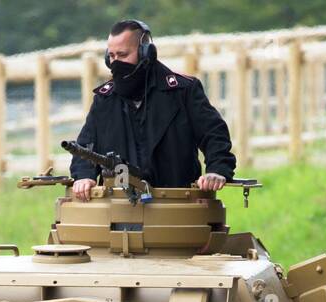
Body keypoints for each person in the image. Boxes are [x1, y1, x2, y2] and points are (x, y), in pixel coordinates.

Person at [70, 19, 235, 201]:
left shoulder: (183, 92)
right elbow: (86, 146)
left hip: (177, 204)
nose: (116, 63)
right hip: (118, 208)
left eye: (123, 55)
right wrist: (84, 176)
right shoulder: (105, 100)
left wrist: (217, 170)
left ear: (146, 53)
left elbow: (214, 134)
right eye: (112, 56)